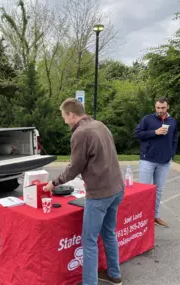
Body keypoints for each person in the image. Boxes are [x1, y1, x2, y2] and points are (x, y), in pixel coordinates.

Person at [43, 98, 124, 285]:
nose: (64, 120)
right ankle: (114, 274)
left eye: (64, 116)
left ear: (72, 115)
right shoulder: (100, 125)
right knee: (109, 233)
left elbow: (75, 167)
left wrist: (54, 183)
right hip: (117, 188)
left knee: (89, 242)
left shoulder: (80, 133)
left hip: (100, 194)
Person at [134, 97, 178, 228]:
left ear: (167, 107)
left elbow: (174, 139)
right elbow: (137, 134)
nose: (160, 110)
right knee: (143, 190)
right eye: (158, 108)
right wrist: (155, 132)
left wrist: (171, 154)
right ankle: (140, 217)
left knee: (158, 191)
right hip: (148, 160)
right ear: (155, 107)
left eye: (162, 108)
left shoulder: (172, 121)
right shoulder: (147, 119)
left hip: (165, 162)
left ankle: (154, 216)